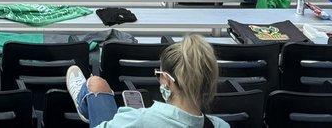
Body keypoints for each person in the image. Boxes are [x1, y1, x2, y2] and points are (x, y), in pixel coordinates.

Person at [66, 35, 227, 128]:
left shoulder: (137, 120)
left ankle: (84, 99)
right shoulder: (220, 126)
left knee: (95, 84)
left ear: (166, 80)